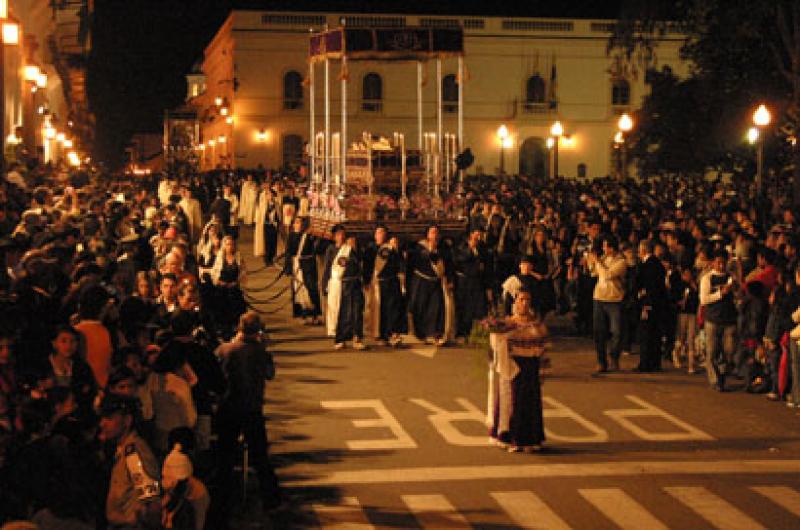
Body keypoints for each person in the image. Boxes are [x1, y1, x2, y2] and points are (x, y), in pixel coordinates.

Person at [213, 312, 282, 524]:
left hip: (229, 408)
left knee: (225, 458)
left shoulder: (225, 350)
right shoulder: (260, 352)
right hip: (252, 409)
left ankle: (221, 502)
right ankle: (271, 498)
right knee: (260, 456)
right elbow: (270, 374)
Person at [488, 290, 548, 453]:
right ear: (515, 302)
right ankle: (513, 437)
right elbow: (497, 344)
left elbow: (543, 346)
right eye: (521, 299)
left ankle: (531, 438)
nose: (525, 303)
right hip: (514, 366)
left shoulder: (536, 324)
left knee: (531, 402)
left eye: (528, 300)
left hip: (531, 366)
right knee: (514, 401)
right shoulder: (507, 324)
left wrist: (543, 367)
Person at [98, 394, 161, 530]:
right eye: (102, 417)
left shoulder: (134, 453)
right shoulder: (121, 451)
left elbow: (152, 503)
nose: (102, 424)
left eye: (109, 418)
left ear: (127, 420)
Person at [407, 225, 454, 346]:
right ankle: (421, 334)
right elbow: (414, 263)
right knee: (421, 308)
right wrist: (430, 251)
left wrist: (450, 280)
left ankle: (433, 334)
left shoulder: (443, 248)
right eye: (432, 232)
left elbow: (448, 265)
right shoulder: (418, 247)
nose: (435, 235)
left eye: (436, 233)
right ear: (427, 235)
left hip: (435, 282)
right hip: (421, 281)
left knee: (436, 308)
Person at [322, 225, 366, 350]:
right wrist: (324, 284)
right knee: (342, 312)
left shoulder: (350, 248)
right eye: (338, 234)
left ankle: (357, 337)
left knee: (357, 312)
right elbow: (327, 268)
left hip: (353, 283)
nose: (341, 236)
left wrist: (355, 249)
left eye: (343, 234)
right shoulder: (331, 249)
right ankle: (341, 338)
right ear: (334, 236)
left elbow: (359, 264)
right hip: (339, 285)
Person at [587, 235, 627, 373]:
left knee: (617, 332)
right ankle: (601, 361)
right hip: (599, 298)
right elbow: (593, 273)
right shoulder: (603, 259)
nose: (604, 249)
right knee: (599, 332)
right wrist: (591, 262)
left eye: (606, 246)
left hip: (614, 299)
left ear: (612, 247)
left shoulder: (621, 262)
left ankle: (614, 356)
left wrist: (597, 262)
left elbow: (607, 275)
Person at [363, 225, 407, 347]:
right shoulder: (370, 249)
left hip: (391, 282)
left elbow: (400, 264)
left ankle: (393, 334)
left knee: (393, 309)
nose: (381, 234)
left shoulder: (391, 248)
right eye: (378, 232)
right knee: (379, 311)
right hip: (377, 283)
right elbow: (367, 266)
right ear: (375, 235)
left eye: (383, 232)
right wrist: (366, 281)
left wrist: (396, 250)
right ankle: (380, 335)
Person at [700, 249, 737, 391]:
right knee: (712, 351)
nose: (721, 265)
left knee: (729, 350)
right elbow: (704, 300)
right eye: (718, 262)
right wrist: (721, 293)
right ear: (712, 263)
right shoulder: (707, 279)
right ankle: (715, 380)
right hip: (713, 319)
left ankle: (722, 373)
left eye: (723, 262)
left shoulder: (730, 278)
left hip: (729, 320)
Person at [453, 228, 493, 344]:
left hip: (478, 282)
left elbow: (487, 266)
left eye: (481, 234)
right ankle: (461, 333)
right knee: (463, 308)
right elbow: (459, 260)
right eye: (477, 234)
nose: (479, 237)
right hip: (464, 282)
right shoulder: (461, 246)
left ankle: (475, 333)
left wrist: (488, 286)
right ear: (471, 234)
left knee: (479, 308)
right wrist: (471, 248)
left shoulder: (483, 248)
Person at [635, 239, 668, 373]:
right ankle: (655, 363)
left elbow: (648, 287)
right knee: (655, 334)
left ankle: (646, 363)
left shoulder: (648, 266)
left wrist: (645, 304)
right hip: (658, 304)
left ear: (643, 250)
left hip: (649, 303)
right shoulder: (658, 264)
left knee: (646, 334)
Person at [283, 216, 322, 324]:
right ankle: (303, 315)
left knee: (311, 289)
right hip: (296, 265)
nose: (298, 224)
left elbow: (316, 249)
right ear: (293, 225)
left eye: (300, 222)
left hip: (308, 266)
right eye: (296, 222)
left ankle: (315, 315)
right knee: (299, 291)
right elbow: (288, 252)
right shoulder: (291, 236)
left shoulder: (309, 236)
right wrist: (288, 268)